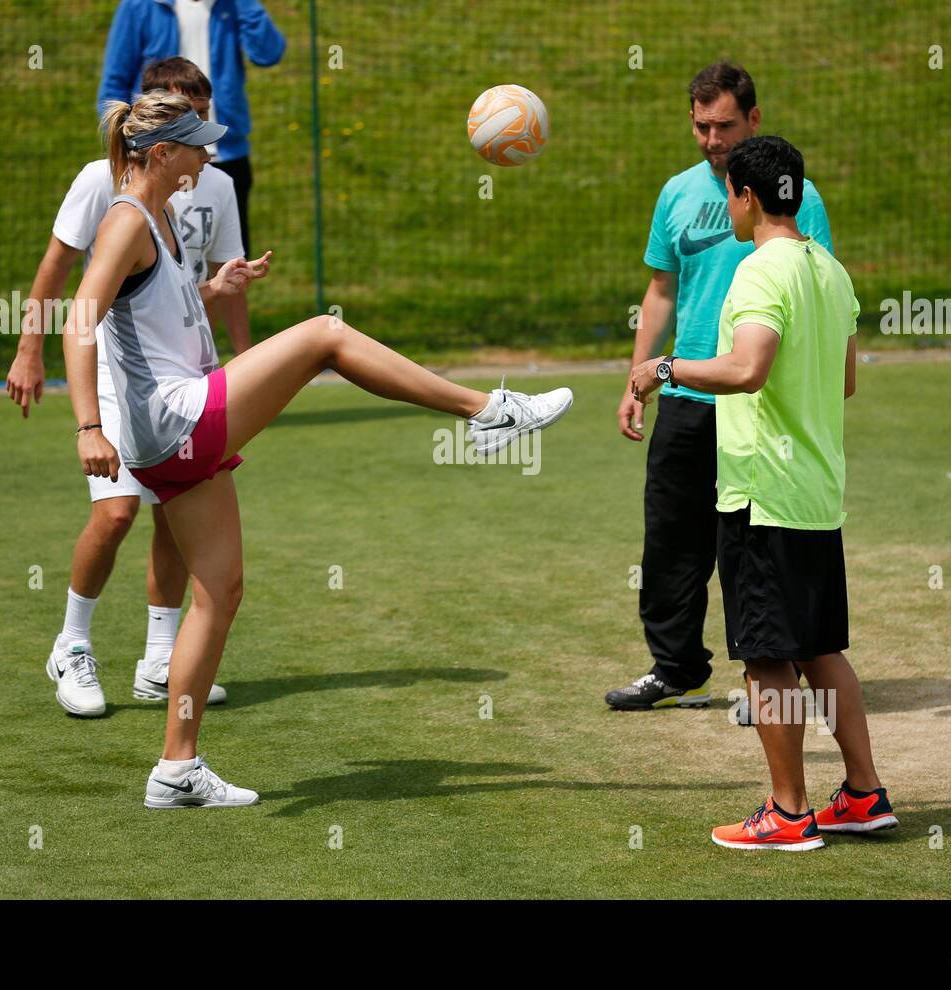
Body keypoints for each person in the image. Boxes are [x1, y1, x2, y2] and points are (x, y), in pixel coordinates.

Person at [64, 91, 573, 808]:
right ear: (159, 155)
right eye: (198, 145)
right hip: (170, 420)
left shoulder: (166, 214)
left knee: (219, 594)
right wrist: (89, 425)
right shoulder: (125, 218)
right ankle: (486, 411)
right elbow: (79, 320)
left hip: (176, 426)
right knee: (324, 336)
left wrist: (213, 289)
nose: (212, 156)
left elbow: (149, 314)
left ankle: (176, 769)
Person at [630, 136, 895, 851]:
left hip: (761, 494)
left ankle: (787, 811)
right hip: (815, 490)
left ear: (744, 198)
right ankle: (865, 795)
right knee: (821, 650)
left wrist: (666, 367)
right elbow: (843, 381)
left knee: (766, 657)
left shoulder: (757, 270)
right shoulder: (831, 272)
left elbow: (747, 369)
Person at [6, 58, 247, 718]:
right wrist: (32, 351)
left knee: (172, 513)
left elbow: (152, 297)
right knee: (116, 513)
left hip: (179, 382)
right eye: (195, 125)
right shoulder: (107, 188)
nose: (209, 147)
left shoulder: (186, 196)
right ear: (161, 133)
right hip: (117, 383)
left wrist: (214, 294)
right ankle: (72, 645)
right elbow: (69, 284)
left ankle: (159, 660)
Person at [606, 63, 833, 712]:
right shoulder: (676, 193)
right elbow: (661, 290)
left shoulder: (795, 194)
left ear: (754, 120)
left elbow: (816, 284)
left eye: (724, 125)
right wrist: (635, 377)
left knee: (756, 545)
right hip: (685, 393)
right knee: (670, 539)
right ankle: (676, 669)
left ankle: (771, 678)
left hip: (760, 401)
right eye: (701, 126)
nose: (711, 139)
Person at [98, 0, 287, 258]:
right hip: (160, 158)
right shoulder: (140, 6)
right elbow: (114, 84)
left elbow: (268, 52)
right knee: (157, 256)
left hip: (224, 155)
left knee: (229, 267)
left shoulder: (231, 5)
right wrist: (133, 149)